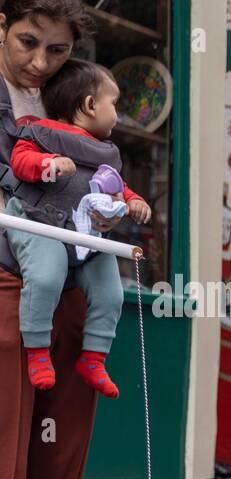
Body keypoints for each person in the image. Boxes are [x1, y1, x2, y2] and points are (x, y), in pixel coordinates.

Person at [0, 0, 128, 479]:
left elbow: (104, 186)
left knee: (58, 454)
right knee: (6, 457)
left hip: (76, 279)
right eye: (27, 42)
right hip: (7, 278)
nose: (40, 62)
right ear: (1, 24)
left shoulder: (71, 95)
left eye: (56, 50)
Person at [7, 58, 149, 397]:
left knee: (110, 290)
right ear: (88, 105)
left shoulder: (107, 153)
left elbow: (117, 187)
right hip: (40, 224)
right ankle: (38, 350)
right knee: (45, 275)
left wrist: (132, 201)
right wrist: (48, 163)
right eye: (113, 103)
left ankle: (94, 357)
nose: (117, 113)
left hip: (86, 238)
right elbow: (19, 160)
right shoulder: (42, 132)